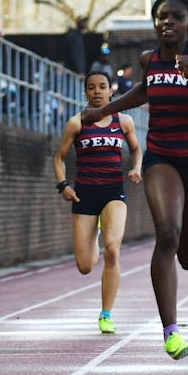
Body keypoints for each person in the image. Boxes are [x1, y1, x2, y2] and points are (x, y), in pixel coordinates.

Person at [81, 0, 188, 359]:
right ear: (155, 23)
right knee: (167, 234)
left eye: (176, 17)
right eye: (161, 17)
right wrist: (102, 111)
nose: (168, 22)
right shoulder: (148, 59)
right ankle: (171, 332)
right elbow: (144, 90)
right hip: (162, 156)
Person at [53, 71, 142, 334]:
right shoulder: (76, 123)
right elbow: (59, 158)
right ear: (85, 93)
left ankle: (106, 314)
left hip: (114, 193)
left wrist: (136, 167)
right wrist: (63, 186)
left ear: (111, 91)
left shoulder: (123, 121)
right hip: (84, 195)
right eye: (91, 88)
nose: (97, 92)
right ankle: (95, 233)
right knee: (85, 266)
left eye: (102, 87)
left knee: (112, 250)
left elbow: (136, 148)